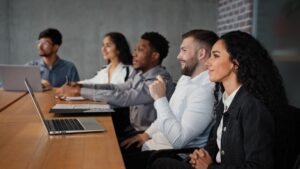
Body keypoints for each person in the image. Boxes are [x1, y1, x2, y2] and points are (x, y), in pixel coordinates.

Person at [149, 31, 288, 169]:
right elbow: (216, 142)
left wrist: (209, 167)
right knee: (159, 163)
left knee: (158, 163)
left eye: (215, 56)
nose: (208, 62)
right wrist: (202, 154)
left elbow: (259, 166)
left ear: (236, 63)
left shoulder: (252, 106)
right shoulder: (225, 99)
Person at [120, 29, 219, 169]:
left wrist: (160, 99)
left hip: (169, 155)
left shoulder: (205, 92)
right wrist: (146, 134)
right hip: (153, 144)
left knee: (113, 160)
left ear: (201, 54)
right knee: (111, 147)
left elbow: (179, 141)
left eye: (184, 50)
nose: (178, 56)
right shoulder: (185, 79)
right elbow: (166, 115)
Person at [56, 32, 175, 137]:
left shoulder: (160, 80)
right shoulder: (139, 75)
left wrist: (80, 92)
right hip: (133, 130)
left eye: (140, 50)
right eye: (135, 49)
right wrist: (81, 87)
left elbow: (125, 97)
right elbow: (116, 87)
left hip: (148, 135)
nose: (134, 54)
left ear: (155, 56)